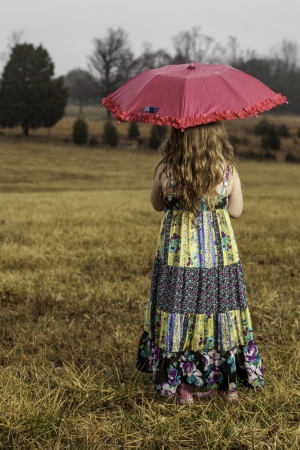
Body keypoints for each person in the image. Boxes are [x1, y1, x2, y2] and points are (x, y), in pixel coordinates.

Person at [136, 122, 264, 404]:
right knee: (219, 306)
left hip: (178, 255)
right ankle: (225, 385)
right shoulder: (227, 170)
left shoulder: (166, 169)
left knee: (179, 307)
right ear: (215, 136)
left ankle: (183, 387)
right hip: (218, 254)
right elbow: (237, 211)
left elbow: (157, 205)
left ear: (175, 136)